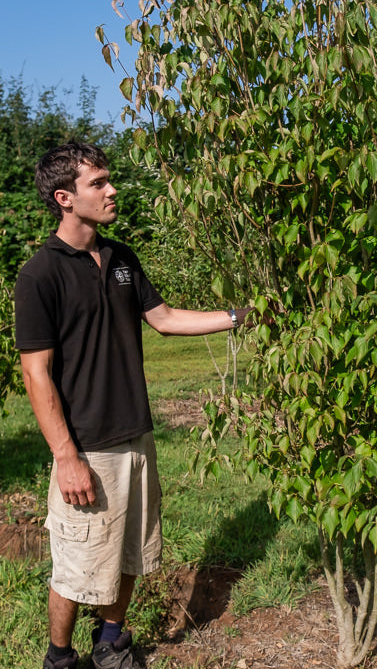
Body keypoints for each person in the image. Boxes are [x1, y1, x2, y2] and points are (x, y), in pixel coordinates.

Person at [14, 141, 258, 669]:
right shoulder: (40, 275)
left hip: (136, 435)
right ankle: (59, 657)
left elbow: (165, 318)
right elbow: (36, 376)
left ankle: (111, 644)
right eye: (98, 182)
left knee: (130, 551)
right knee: (76, 566)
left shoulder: (122, 257)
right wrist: (65, 456)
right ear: (65, 197)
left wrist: (241, 316)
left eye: (109, 179)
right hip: (87, 447)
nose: (112, 189)